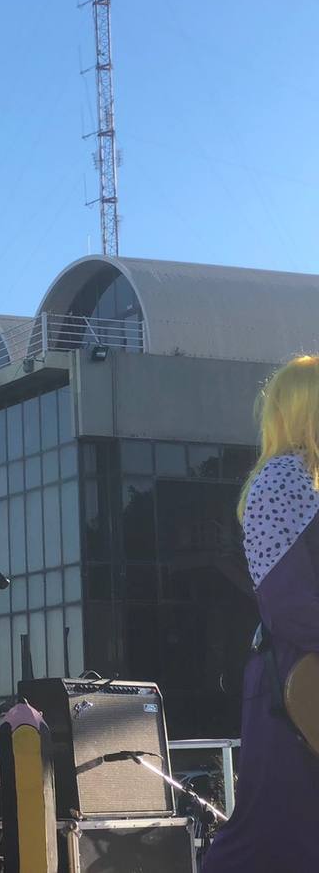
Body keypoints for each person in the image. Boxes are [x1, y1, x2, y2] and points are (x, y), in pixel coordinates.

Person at [202, 356, 319, 872]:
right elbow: (289, 606)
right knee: (273, 834)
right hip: (293, 680)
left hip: (297, 674)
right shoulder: (283, 480)